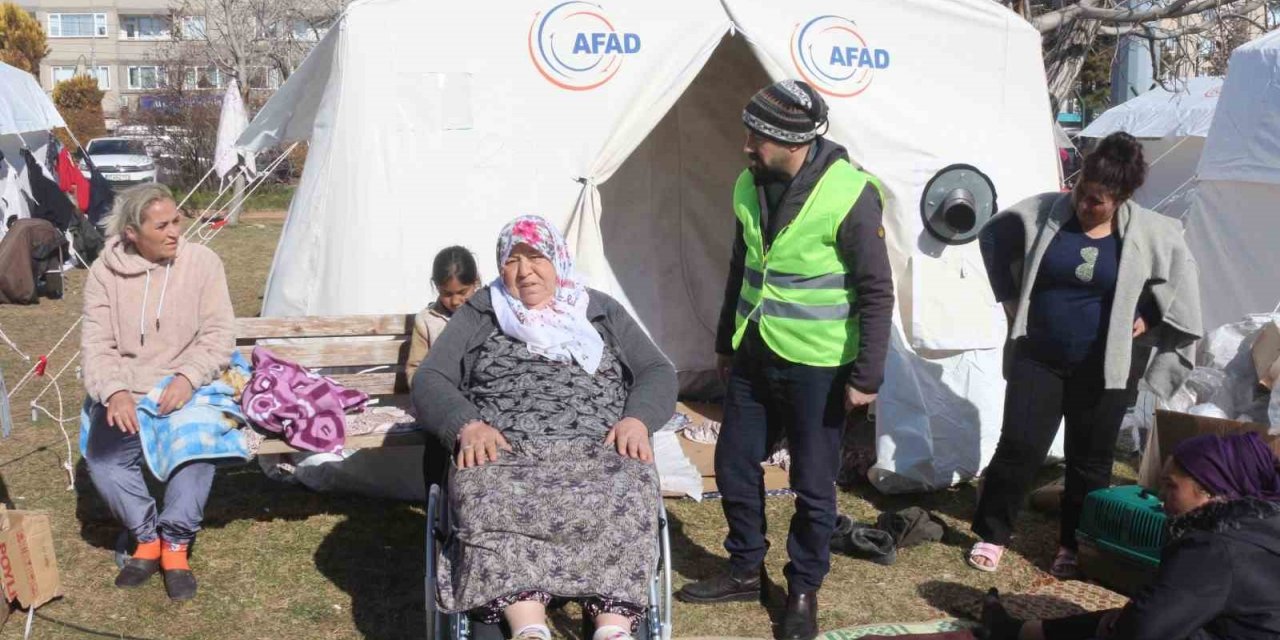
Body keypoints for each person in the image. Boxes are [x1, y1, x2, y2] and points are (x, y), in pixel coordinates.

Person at [676, 79, 894, 640]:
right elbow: (740, 267)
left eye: (757, 136)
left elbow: (876, 289)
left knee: (813, 483)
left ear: (792, 141)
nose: (747, 145)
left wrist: (867, 374)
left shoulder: (850, 193)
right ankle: (746, 568)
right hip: (754, 350)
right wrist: (726, 340)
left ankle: (803, 588)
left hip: (819, 364)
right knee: (733, 463)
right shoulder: (749, 184)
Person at [414, 215, 677, 640]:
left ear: (557, 259)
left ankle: (613, 626)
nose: (524, 271)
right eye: (512, 260)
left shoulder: (600, 309)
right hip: (506, 450)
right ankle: (527, 625)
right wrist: (465, 424)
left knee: (631, 485)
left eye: (535, 257)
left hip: (598, 447)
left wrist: (637, 418)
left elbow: (656, 370)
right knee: (487, 492)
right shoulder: (482, 310)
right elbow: (430, 378)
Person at [969, 132, 1202, 577]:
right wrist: (1010, 300)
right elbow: (995, 234)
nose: (1084, 205)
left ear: (1121, 198)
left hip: (1105, 365)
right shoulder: (1046, 214)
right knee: (1020, 445)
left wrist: (1149, 313)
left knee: (1090, 459)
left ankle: (1072, 544)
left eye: (1097, 201)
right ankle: (993, 533)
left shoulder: (1148, 232)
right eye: (1081, 192)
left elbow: (1178, 279)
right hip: (1039, 355)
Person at [81, 183, 235, 601]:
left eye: (176, 221)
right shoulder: (104, 273)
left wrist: (187, 377)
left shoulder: (203, 263)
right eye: (162, 225)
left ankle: (175, 544)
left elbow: (219, 334)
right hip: (129, 385)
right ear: (132, 233)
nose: (174, 232)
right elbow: (97, 344)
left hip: (190, 382)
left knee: (198, 451)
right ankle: (146, 537)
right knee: (104, 461)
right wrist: (113, 392)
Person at [981, 431, 1280, 640]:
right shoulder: (1260, 524)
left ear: (1212, 491)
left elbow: (1141, 631)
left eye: (1171, 486)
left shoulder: (1213, 547)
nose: (1161, 498)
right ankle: (1014, 632)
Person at [404, 245, 480, 387]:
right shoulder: (426, 321)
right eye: (447, 294)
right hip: (441, 396)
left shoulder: (488, 314)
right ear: (436, 286)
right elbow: (415, 369)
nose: (455, 301)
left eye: (462, 292)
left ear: (475, 282)